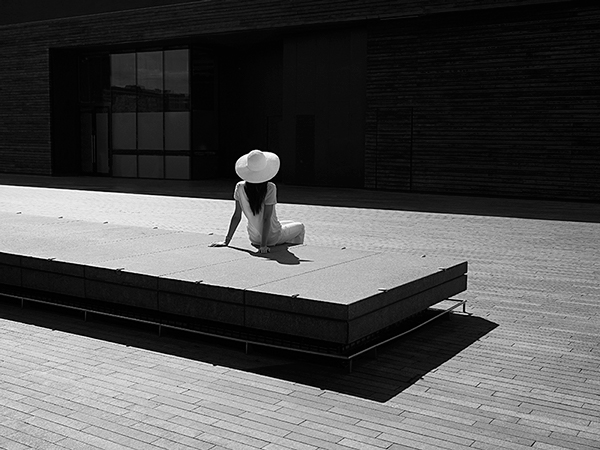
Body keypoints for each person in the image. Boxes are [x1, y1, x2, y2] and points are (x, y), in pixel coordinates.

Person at [210, 149, 305, 254]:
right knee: (300, 226)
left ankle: (283, 246)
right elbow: (266, 218)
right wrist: (263, 245)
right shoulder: (270, 187)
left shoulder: (240, 187)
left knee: (289, 222)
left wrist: (226, 241)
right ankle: (288, 250)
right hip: (272, 237)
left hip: (253, 237)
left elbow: (237, 216)